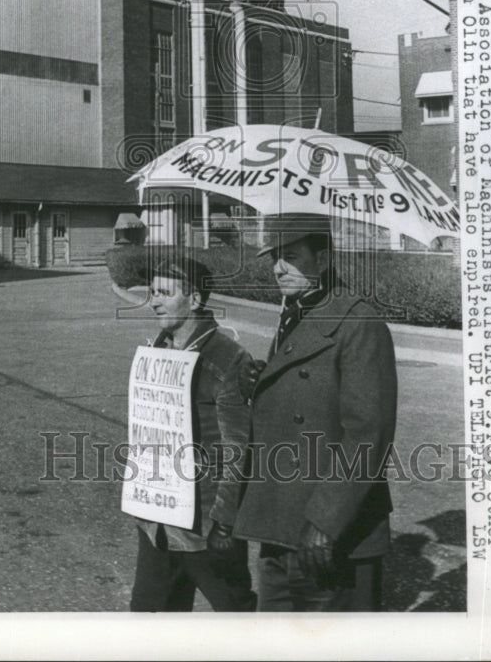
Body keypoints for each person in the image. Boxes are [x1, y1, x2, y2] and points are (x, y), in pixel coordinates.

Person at [233, 213, 398, 612]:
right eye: (275, 257)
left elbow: (367, 434)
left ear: (323, 260)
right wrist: (259, 384)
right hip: (281, 526)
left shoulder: (358, 322)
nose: (277, 267)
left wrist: (325, 521)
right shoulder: (294, 311)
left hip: (330, 536)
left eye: (290, 256)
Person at [127, 256, 257, 612]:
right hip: (157, 526)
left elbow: (238, 447)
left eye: (165, 292)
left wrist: (226, 522)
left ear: (195, 299)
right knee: (150, 621)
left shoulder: (229, 358)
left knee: (238, 617)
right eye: (152, 291)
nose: (153, 300)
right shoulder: (156, 350)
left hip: (205, 530)